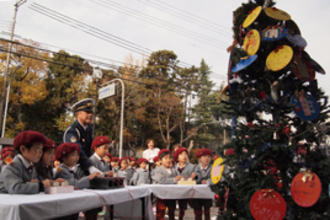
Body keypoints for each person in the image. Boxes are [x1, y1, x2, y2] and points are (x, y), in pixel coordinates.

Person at [55, 143, 101, 220]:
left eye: (77, 155)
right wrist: (89, 178)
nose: (76, 158)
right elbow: (74, 184)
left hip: (72, 204)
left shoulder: (75, 169)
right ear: (64, 157)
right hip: (64, 206)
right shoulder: (61, 170)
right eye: (73, 155)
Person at [63, 98, 100, 174]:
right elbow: (78, 150)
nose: (90, 115)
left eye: (91, 112)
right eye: (87, 112)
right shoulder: (72, 131)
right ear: (78, 114)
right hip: (72, 171)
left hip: (85, 169)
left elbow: (90, 150)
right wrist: (90, 167)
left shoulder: (89, 129)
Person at [152, 149, 183, 220]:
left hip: (172, 195)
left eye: (169, 158)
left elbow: (179, 178)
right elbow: (161, 180)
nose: (168, 160)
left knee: (172, 211)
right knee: (160, 212)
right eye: (165, 158)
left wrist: (180, 179)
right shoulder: (158, 170)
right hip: (161, 195)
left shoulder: (174, 170)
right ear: (160, 160)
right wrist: (174, 179)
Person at [173, 146, 197, 220]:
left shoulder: (192, 166)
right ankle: (180, 217)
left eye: (185, 154)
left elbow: (195, 175)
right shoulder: (173, 167)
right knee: (181, 208)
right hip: (179, 191)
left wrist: (194, 176)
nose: (184, 156)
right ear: (177, 157)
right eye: (181, 154)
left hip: (190, 190)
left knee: (195, 207)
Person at [191, 148, 213, 220]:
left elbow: (217, 178)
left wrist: (208, 181)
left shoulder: (214, 167)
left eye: (209, 156)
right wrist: (195, 177)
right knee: (197, 213)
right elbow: (194, 177)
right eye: (204, 156)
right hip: (197, 194)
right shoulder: (194, 167)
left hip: (208, 193)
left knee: (207, 212)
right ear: (199, 159)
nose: (207, 158)